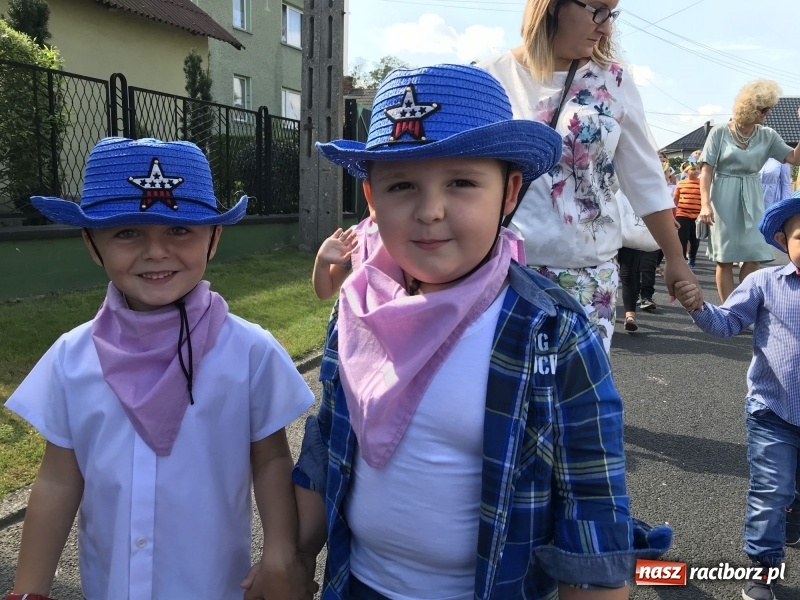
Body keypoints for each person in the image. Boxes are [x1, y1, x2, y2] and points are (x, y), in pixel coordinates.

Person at [292, 63, 671, 600]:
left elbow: (593, 502)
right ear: (372, 201)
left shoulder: (554, 334)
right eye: (401, 185)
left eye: (462, 183)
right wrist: (291, 556)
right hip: (358, 584)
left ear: (509, 193)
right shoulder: (356, 311)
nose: (430, 211)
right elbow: (326, 445)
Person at [3, 137, 317, 600]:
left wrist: (280, 552)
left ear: (214, 237)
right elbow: (57, 478)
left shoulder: (249, 351)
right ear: (92, 244)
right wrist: (27, 591)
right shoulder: (72, 357)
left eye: (179, 230)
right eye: (127, 232)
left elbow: (270, 459)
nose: (156, 251)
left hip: (213, 586)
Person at [479, 0, 701, 353]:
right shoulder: (489, 78)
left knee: (577, 401)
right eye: (597, 9)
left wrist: (675, 258)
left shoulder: (614, 80)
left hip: (589, 276)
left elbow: (644, 177)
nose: (606, 26)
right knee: (504, 397)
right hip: (500, 271)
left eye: (612, 13)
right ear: (551, 7)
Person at [674, 189, 800, 600]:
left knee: (788, 490)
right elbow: (727, 323)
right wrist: (697, 306)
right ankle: (764, 569)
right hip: (773, 409)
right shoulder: (764, 282)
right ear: (783, 242)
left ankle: (791, 508)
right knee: (770, 490)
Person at [697, 80, 800, 303]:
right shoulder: (719, 132)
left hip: (752, 197)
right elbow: (706, 171)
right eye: (764, 109)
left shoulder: (768, 135)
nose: (768, 113)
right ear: (750, 107)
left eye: (769, 108)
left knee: (754, 257)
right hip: (722, 196)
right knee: (724, 260)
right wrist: (705, 204)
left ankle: (743, 306)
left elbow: (795, 158)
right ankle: (728, 310)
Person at [313, 215, 381, 300]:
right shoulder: (356, 236)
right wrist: (321, 262)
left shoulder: (401, 238)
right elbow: (325, 292)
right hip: (355, 310)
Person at [674, 161, 702, 268]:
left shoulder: (702, 183)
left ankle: (692, 258)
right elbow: (675, 199)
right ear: (686, 171)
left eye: (698, 169)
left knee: (695, 240)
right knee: (682, 238)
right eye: (693, 169)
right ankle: (681, 259)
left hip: (697, 216)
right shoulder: (681, 183)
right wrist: (673, 215)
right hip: (682, 214)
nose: (696, 171)